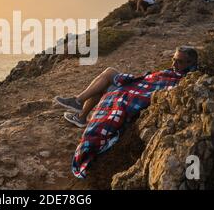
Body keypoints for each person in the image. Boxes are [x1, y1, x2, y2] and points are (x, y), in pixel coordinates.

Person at [53, 46, 198, 178]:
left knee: (108, 77)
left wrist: (135, 87)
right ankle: (79, 109)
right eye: (173, 59)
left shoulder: (186, 79)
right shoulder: (174, 72)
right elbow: (153, 80)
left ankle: (79, 109)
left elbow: (158, 91)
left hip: (135, 94)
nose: (174, 64)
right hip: (138, 86)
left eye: (179, 61)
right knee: (108, 77)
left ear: (190, 63)